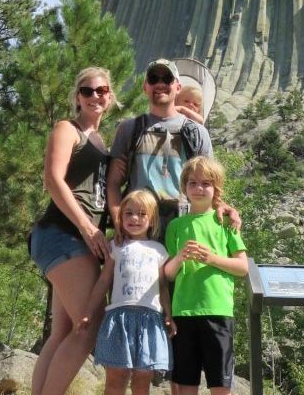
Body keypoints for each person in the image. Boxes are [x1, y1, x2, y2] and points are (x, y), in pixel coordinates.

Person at [29, 67, 118, 395]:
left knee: (64, 331)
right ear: (77, 97)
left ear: (110, 97)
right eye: (87, 90)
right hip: (63, 234)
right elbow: (53, 179)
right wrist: (86, 227)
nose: (95, 95)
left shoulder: (99, 139)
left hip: (72, 240)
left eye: (102, 90)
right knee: (88, 327)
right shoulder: (68, 129)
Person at [107, 58, 239, 240]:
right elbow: (113, 182)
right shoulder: (129, 129)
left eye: (167, 79)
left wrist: (223, 206)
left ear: (177, 87)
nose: (160, 84)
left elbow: (210, 183)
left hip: (183, 226)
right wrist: (118, 222)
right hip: (139, 227)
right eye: (154, 79)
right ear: (145, 87)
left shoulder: (197, 133)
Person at [164, 157, 248, 395]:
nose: (199, 188)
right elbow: (168, 275)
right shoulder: (175, 227)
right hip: (183, 313)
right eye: (193, 183)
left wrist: (211, 259)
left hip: (218, 311)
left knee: (220, 385)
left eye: (206, 183)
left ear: (216, 189)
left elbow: (242, 267)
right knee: (185, 384)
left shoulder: (226, 222)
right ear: (184, 188)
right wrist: (179, 258)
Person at [79, 190, 175, 395]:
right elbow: (104, 281)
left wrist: (168, 314)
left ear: (152, 220)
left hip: (150, 319)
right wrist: (88, 311)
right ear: (120, 218)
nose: (134, 218)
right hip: (119, 318)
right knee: (115, 379)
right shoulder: (115, 246)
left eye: (142, 214)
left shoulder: (159, 250)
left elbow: (163, 286)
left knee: (142, 381)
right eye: (128, 213)